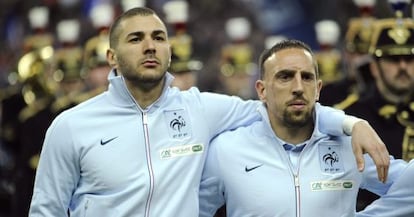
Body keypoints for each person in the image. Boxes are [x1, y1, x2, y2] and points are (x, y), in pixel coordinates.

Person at [29, 7, 389, 217]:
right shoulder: (71, 126)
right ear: (112, 57)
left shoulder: (201, 108)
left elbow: (280, 107)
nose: (150, 46)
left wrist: (348, 122)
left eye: (158, 37)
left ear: (170, 51)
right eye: (135, 39)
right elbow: (45, 211)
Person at [198, 39, 406, 217]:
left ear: (318, 89)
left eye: (306, 77)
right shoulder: (226, 150)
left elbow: (409, 185)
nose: (298, 87)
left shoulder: (349, 149)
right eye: (285, 77)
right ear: (261, 90)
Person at [343, 8, 414, 210]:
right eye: (393, 59)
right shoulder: (348, 117)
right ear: (374, 67)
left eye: (409, 59)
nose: (403, 66)